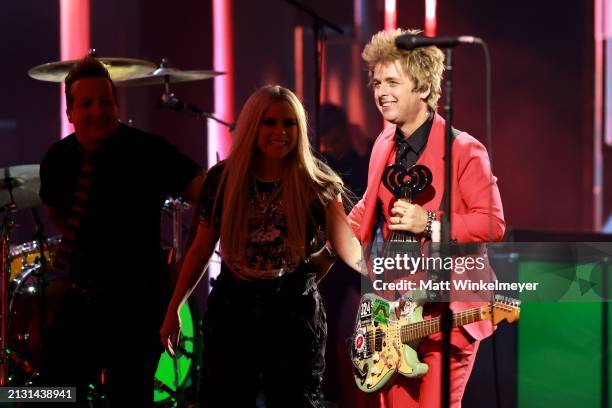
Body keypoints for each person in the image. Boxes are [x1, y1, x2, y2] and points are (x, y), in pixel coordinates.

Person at [160, 85, 364, 407]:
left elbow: (347, 249)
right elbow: (200, 251)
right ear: (253, 126)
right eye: (269, 122)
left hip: (293, 317)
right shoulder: (223, 180)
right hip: (233, 312)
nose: (280, 132)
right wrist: (174, 308)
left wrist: (394, 272)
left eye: (289, 123)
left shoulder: (318, 183)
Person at [347, 29, 506, 407]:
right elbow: (365, 211)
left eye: (391, 82)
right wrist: (321, 226)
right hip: (394, 316)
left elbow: (492, 223)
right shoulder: (383, 143)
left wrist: (429, 221)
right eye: (376, 82)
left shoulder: (464, 149)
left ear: (422, 87)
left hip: (448, 314)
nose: (380, 91)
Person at [38, 56, 204, 406]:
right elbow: (57, 213)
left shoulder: (148, 151)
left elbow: (207, 195)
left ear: (116, 104)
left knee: (129, 398)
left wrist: (185, 263)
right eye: (86, 103)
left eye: (105, 101)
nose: (97, 111)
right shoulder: (57, 159)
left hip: (137, 306)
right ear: (70, 112)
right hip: (80, 299)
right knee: (52, 396)